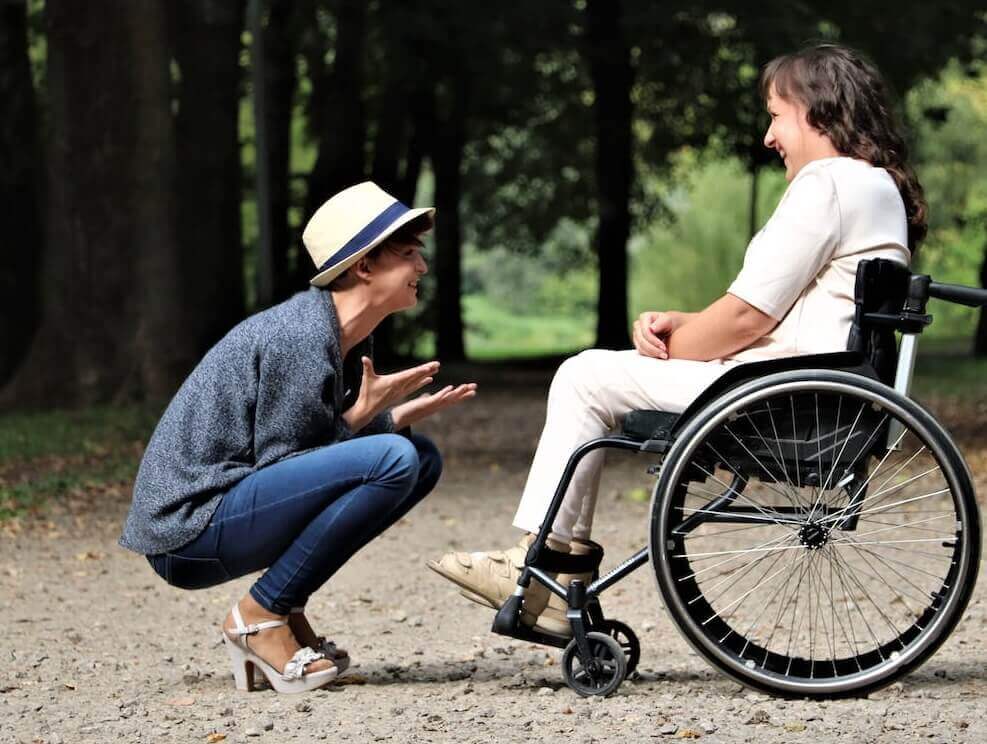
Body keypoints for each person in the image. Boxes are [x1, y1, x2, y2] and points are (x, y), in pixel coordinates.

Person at [428, 43, 926, 637]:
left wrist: (670, 346)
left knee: (585, 376)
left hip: (784, 394)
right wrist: (682, 323)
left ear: (817, 110)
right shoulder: (875, 187)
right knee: (597, 373)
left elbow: (746, 321)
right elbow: (777, 313)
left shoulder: (830, 183)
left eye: (774, 115)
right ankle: (552, 566)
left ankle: (547, 572)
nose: (769, 137)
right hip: (814, 385)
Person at [120, 182, 477, 693]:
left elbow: (309, 459)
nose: (421, 267)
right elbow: (288, 464)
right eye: (407, 254)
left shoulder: (341, 335)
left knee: (420, 458)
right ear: (365, 267)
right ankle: (259, 617)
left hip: (230, 507)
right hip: (188, 528)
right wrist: (367, 418)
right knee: (397, 458)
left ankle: (280, 606)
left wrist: (388, 418)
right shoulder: (300, 337)